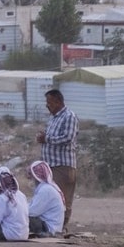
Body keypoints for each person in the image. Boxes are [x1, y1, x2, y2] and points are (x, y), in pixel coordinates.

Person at [36, 88, 78, 234]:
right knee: (51, 197)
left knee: (63, 198)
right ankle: (52, 226)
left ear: (58, 101)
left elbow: (68, 138)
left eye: (50, 102)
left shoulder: (69, 116)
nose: (47, 105)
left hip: (62, 166)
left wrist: (46, 139)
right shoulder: (53, 118)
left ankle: (61, 227)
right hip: (50, 166)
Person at [27, 160, 65, 237]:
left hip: (49, 228)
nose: (30, 179)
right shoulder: (45, 188)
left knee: (20, 218)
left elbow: (32, 212)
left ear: (36, 176)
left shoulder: (46, 190)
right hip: (50, 226)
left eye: (31, 176)